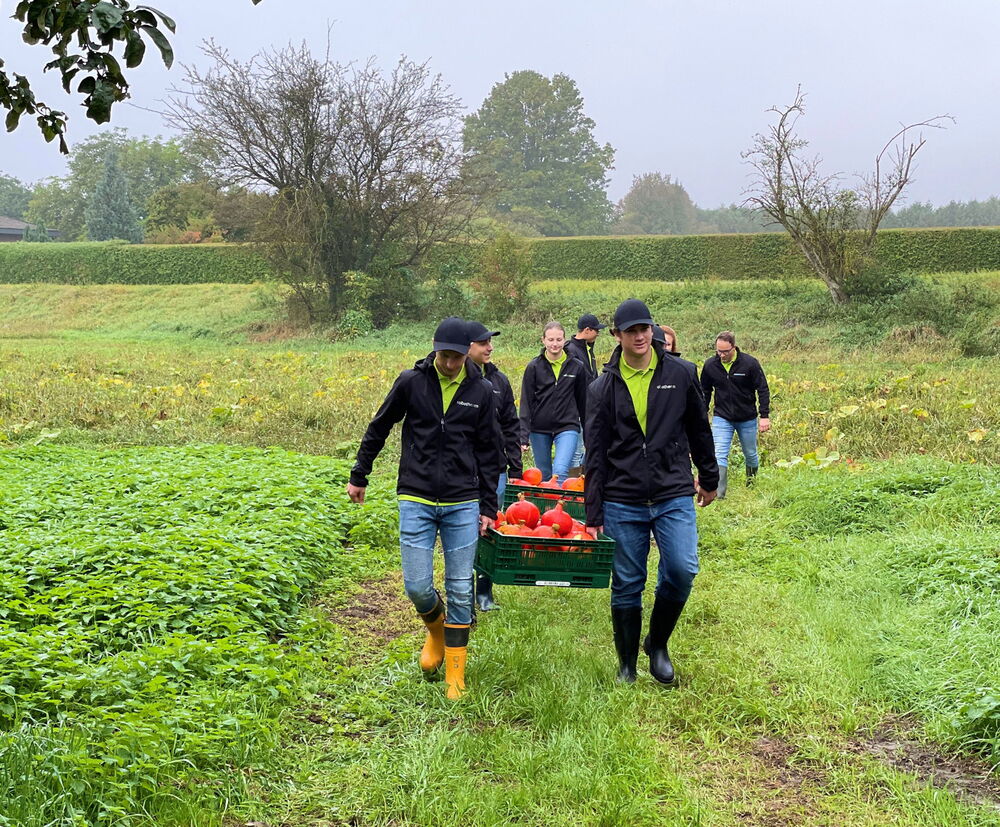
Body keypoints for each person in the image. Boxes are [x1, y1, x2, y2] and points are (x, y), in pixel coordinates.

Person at [347, 317, 502, 699]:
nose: (450, 364)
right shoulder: (411, 382)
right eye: (444, 355)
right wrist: (359, 473)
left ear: (468, 352)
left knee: (461, 588)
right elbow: (379, 426)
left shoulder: (480, 390)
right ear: (434, 347)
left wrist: (488, 505)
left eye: (457, 356)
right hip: (415, 496)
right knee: (417, 586)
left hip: (462, 502)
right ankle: (435, 630)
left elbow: (489, 452)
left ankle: (455, 675)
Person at [584, 299, 718, 686]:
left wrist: (708, 477)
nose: (640, 336)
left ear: (652, 330)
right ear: (617, 336)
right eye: (631, 331)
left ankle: (657, 644)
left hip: (672, 489)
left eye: (645, 328)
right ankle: (626, 663)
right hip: (621, 496)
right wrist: (593, 512)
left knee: (681, 568)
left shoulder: (680, 372)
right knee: (627, 579)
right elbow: (595, 452)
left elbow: (698, 428)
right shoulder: (601, 387)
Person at [466, 320, 522, 612]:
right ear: (468, 347)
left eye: (490, 342)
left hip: (495, 469)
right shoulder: (461, 379)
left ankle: (484, 591)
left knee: (490, 527)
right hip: (464, 470)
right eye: (483, 343)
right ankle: (462, 588)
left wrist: (516, 464)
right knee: (466, 530)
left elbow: (511, 424)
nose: (489, 347)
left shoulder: (499, 381)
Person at [699, 331, 771, 498]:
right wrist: (702, 415)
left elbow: (763, 389)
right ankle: (719, 494)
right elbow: (705, 391)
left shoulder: (749, 364)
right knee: (719, 453)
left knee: (750, 453)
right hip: (722, 416)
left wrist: (764, 415)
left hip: (747, 417)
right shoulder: (710, 365)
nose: (722, 355)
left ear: (733, 347)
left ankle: (751, 481)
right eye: (718, 351)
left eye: (725, 351)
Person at [519, 321, 588, 483]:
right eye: (551, 340)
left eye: (558, 339)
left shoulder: (577, 367)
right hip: (539, 429)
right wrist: (523, 435)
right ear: (543, 340)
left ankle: (560, 507)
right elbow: (526, 402)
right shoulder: (533, 367)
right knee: (543, 475)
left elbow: (584, 402)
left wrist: (589, 433)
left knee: (561, 471)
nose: (555, 344)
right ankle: (547, 507)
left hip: (567, 426)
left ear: (564, 340)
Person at [564, 313, 607, 473]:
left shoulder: (587, 349)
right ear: (587, 330)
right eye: (597, 330)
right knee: (575, 453)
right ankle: (570, 489)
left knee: (588, 448)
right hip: (576, 410)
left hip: (589, 409)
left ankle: (580, 482)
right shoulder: (571, 350)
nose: (598, 333)